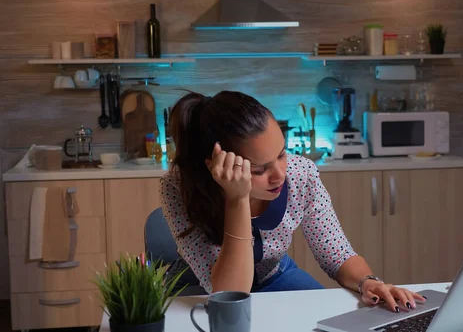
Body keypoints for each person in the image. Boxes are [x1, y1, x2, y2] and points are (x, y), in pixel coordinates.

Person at [159, 90, 426, 313]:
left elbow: (338, 255)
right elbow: (229, 295)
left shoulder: (301, 174)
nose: (279, 174)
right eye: (259, 169)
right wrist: (237, 197)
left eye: (281, 154)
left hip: (273, 274)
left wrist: (369, 283)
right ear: (215, 166)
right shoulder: (178, 188)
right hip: (200, 289)